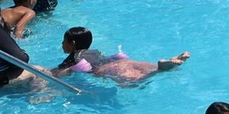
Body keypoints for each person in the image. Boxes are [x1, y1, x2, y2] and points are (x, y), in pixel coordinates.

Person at [53, 26, 190, 83]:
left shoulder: (74, 57)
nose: (62, 44)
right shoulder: (94, 52)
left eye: (64, 41)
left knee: (137, 80)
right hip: (119, 62)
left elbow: (57, 74)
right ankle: (164, 64)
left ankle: (160, 69)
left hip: (106, 69)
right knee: (144, 68)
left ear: (73, 43)